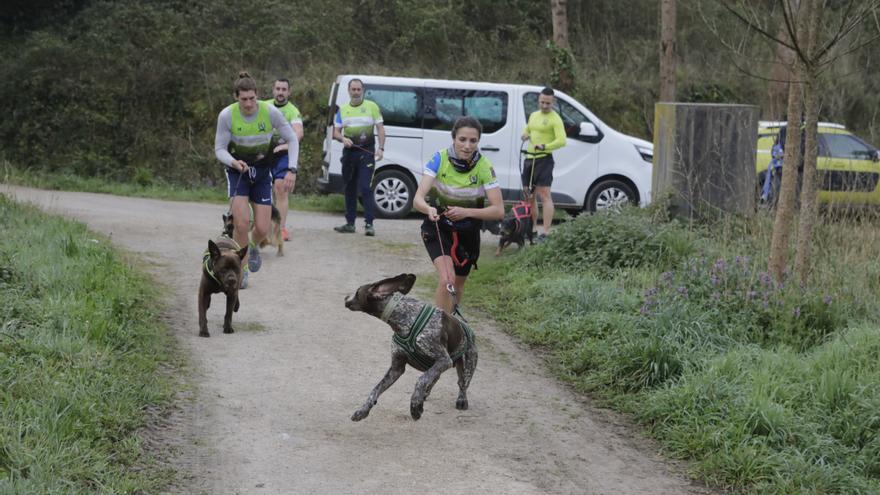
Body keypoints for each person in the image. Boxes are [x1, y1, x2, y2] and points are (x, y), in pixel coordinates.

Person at [214, 71, 299, 289]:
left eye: (252, 98)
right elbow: (220, 149)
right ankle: (241, 270)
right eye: (244, 99)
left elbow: (292, 138)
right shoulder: (227, 115)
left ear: (257, 95)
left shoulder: (269, 112)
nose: (249, 103)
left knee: (261, 229)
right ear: (236, 97)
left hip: (262, 173)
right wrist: (233, 162)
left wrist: (292, 169)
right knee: (241, 224)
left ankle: (250, 247)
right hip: (238, 172)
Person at [413, 116, 504, 315]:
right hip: (438, 227)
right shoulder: (439, 158)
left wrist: (466, 212)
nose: (467, 145)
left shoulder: (485, 167)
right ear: (453, 138)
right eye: (462, 139)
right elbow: (418, 199)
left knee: (458, 287)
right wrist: (428, 209)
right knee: (447, 279)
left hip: (468, 231)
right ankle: (436, 329)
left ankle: (451, 326)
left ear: (478, 141)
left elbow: (499, 210)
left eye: (473, 141)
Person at [332, 78, 385, 236]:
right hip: (349, 154)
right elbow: (335, 132)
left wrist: (381, 148)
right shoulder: (342, 110)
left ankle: (369, 224)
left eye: (358, 89)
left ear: (363, 91)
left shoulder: (372, 107)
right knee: (349, 188)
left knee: (366, 187)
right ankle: (350, 223)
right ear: (348, 91)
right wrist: (342, 139)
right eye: (353, 89)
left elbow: (381, 129)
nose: (356, 92)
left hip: (367, 153)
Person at [521, 86, 566, 242]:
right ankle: (532, 229)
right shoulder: (533, 115)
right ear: (538, 101)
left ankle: (545, 232)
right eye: (542, 102)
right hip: (529, 158)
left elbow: (562, 140)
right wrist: (525, 134)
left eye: (548, 103)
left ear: (553, 102)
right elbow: (527, 130)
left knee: (545, 196)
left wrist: (545, 146)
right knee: (529, 196)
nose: (545, 106)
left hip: (544, 159)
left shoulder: (555, 119)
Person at [265, 77, 303, 242]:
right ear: (273, 90)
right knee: (263, 190)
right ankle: (262, 226)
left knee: (280, 188)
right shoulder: (263, 106)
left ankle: (281, 228)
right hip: (264, 154)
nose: (280, 92)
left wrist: (285, 146)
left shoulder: (292, 111)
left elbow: (298, 134)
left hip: (283, 155)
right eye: (278, 89)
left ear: (289, 92)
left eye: (283, 89)